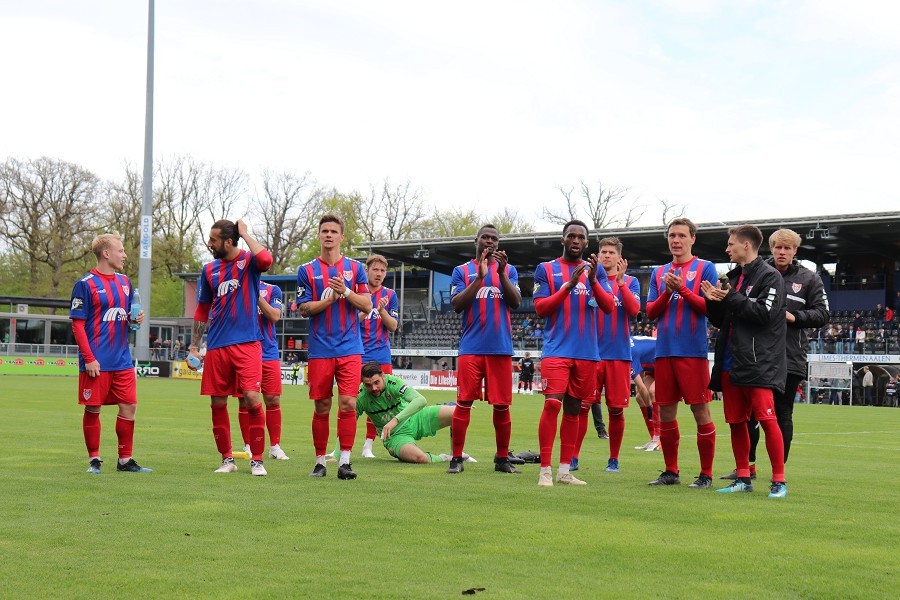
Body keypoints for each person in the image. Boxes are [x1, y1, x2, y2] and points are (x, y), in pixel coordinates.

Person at [723, 228, 829, 480]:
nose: (782, 252)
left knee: (782, 413)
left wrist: (796, 317)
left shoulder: (809, 278)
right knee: (749, 414)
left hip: (790, 355)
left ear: (795, 251)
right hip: (757, 354)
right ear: (770, 248)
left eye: (787, 248)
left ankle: (778, 471)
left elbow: (823, 314)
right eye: (778, 247)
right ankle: (748, 468)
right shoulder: (756, 272)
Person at [702, 225, 788, 498]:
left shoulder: (770, 276)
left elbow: (763, 313)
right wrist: (713, 302)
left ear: (746, 245)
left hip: (757, 361)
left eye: (731, 244)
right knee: (736, 422)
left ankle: (779, 481)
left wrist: (731, 297)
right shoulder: (733, 278)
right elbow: (722, 319)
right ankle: (742, 477)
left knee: (767, 419)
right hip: (730, 360)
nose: (727, 249)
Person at [188, 219, 272, 476]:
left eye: (213, 240)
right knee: (217, 401)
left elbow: (266, 259)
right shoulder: (208, 270)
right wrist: (193, 346)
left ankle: (257, 459)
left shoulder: (249, 261)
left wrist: (245, 234)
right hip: (217, 345)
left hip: (247, 343)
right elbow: (202, 310)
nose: (209, 244)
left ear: (228, 241)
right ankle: (227, 459)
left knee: (251, 397)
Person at [533, 220, 614, 486]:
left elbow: (608, 307)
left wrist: (593, 281)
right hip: (557, 350)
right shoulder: (546, 269)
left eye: (581, 237)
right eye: (571, 236)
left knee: (574, 409)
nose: (576, 240)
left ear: (587, 242)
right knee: (552, 404)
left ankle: (564, 471)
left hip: (587, 353)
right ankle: (545, 470)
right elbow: (541, 308)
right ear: (563, 239)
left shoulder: (596, 271)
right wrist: (568, 286)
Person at [297, 214, 372, 479]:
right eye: (324, 231)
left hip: (350, 348)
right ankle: (320, 462)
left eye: (333, 231)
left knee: (349, 403)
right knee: (322, 406)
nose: (328, 235)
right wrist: (329, 300)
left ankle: (345, 462)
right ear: (319, 235)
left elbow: (367, 305)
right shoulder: (306, 270)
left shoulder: (355, 268)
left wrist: (346, 292)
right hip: (320, 349)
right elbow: (303, 309)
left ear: (341, 237)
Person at [645, 217, 719, 489]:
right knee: (665, 413)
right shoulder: (659, 272)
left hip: (692, 353)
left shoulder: (706, 268)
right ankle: (671, 471)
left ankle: (706, 474)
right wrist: (667, 292)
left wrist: (682, 289)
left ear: (692, 239)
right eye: (672, 235)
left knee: (701, 411)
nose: (676, 240)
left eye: (681, 235)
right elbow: (650, 312)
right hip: (664, 352)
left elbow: (709, 308)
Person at [70, 233, 151, 474]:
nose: (124, 255)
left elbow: (126, 318)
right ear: (106, 253)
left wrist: (135, 319)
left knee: (129, 407)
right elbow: (77, 325)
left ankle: (125, 460)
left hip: (122, 360)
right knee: (93, 408)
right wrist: (89, 358)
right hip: (96, 361)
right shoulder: (85, 284)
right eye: (121, 250)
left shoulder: (125, 282)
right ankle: (94, 460)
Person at [447, 224, 522, 475]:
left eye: (494, 239)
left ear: (498, 244)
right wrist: (479, 278)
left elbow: (516, 302)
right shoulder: (461, 271)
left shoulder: (509, 270)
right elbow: (457, 304)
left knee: (502, 406)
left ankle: (502, 459)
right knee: (463, 403)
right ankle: (456, 458)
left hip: (500, 348)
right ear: (476, 241)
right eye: (485, 237)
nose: (490, 242)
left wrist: (500, 274)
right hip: (471, 348)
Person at [572, 237, 638, 473]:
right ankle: (573, 457)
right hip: (591, 355)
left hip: (618, 355)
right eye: (603, 252)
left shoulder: (630, 282)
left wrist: (620, 283)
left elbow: (634, 310)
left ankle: (614, 459)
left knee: (616, 409)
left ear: (619, 257)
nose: (607, 256)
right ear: (598, 255)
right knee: (582, 407)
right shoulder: (587, 279)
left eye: (611, 252)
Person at [355, 362, 467, 464]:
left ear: (383, 376)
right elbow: (349, 420)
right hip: (395, 436)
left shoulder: (393, 382)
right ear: (363, 383)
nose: (374, 388)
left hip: (416, 418)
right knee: (421, 458)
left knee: (457, 413)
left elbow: (421, 400)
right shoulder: (361, 396)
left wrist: (395, 420)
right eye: (368, 385)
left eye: (376, 382)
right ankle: (445, 458)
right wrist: (343, 454)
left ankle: (456, 453)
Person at [237, 281, 289, 460]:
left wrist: (256, 295)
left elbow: (275, 316)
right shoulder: (236, 287)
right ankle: (248, 445)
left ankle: (275, 446)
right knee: (245, 401)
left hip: (268, 353)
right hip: (243, 352)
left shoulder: (273, 289)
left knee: (273, 399)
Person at [359, 254, 399, 459]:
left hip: (381, 355)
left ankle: (368, 445)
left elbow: (393, 326)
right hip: (357, 354)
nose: (379, 274)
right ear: (367, 271)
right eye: (375, 269)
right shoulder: (357, 292)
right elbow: (349, 322)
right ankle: (341, 446)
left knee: (378, 401)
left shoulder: (390, 295)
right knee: (350, 400)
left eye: (382, 271)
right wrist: (365, 309)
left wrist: (382, 311)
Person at [630, 335, 661, 451]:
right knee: (640, 398)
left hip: (664, 360)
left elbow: (642, 387)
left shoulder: (628, 353)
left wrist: (649, 408)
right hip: (653, 364)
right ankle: (653, 439)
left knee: (653, 392)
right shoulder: (626, 345)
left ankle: (659, 439)